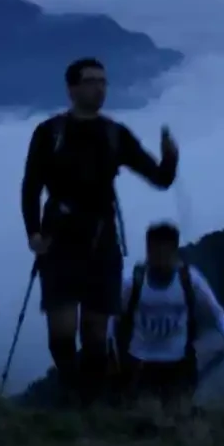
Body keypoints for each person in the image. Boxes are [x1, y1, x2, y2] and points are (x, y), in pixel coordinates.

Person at [20, 57, 179, 406]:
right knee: (61, 333)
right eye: (92, 81)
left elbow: (159, 178)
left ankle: (86, 404)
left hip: (100, 240)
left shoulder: (114, 134)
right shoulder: (49, 134)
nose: (100, 87)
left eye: (104, 81)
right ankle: (75, 391)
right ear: (72, 88)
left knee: (94, 333)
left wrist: (170, 159)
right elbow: (30, 187)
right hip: (59, 238)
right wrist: (33, 233)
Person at [114, 222, 224, 409]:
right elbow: (114, 316)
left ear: (175, 252)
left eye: (165, 252)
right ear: (148, 251)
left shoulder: (190, 280)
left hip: (179, 364)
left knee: (178, 413)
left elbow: (216, 312)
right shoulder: (132, 281)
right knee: (143, 414)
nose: (159, 258)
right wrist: (112, 353)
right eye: (154, 251)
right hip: (140, 364)